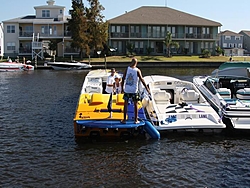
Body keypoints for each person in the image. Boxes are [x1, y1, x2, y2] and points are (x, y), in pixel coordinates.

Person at [121, 58, 150, 124]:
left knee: (125, 104)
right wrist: (147, 88)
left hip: (127, 90)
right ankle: (136, 120)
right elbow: (142, 80)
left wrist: (122, 88)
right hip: (134, 90)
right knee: (135, 104)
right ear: (136, 63)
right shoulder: (137, 70)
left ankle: (124, 120)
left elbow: (123, 79)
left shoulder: (127, 69)